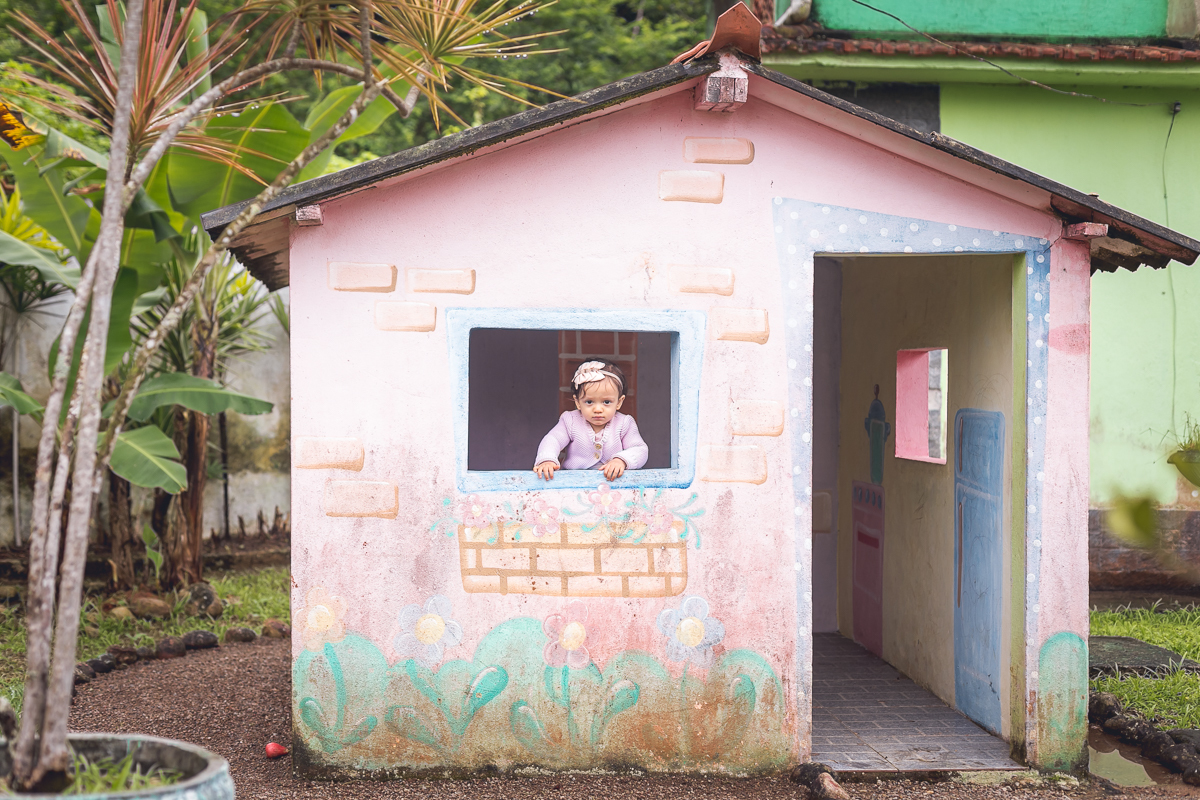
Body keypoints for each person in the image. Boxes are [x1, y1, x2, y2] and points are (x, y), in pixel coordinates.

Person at [534, 360, 648, 481]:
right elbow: (553, 439)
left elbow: (640, 449)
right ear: (578, 402)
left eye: (607, 402)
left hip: (612, 483)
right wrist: (547, 459)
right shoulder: (570, 421)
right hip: (574, 481)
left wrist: (621, 460)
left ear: (619, 402)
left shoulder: (624, 423)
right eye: (589, 402)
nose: (598, 409)